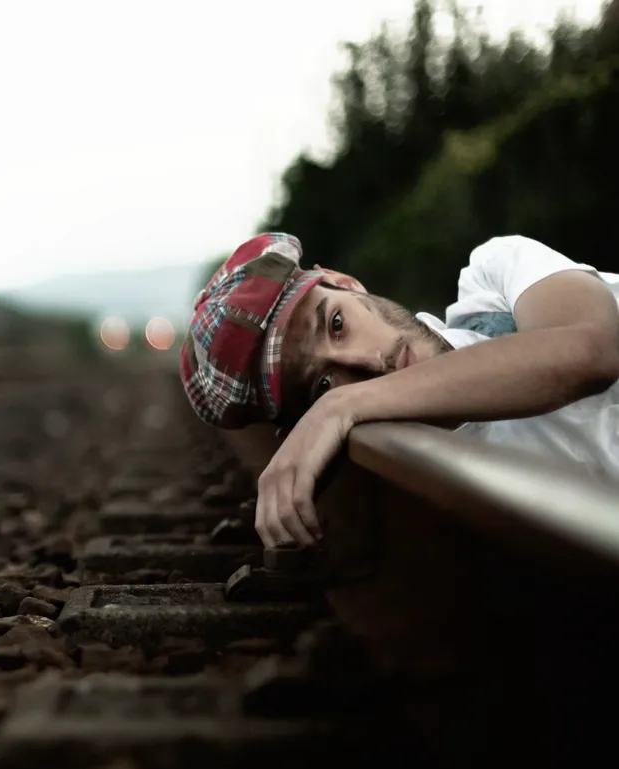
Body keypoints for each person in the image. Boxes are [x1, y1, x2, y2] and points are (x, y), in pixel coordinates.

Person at [180, 232, 619, 549]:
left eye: (337, 325)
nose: (370, 362)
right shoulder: (418, 496)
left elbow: (592, 350)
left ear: (345, 282)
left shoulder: (495, 280)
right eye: (323, 383)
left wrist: (338, 404)